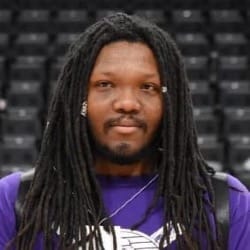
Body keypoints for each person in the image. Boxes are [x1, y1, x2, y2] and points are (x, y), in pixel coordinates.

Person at [0, 12, 250, 250]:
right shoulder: (16, 201)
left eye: (148, 87)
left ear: (170, 103)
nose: (127, 103)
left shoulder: (226, 204)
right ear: (79, 97)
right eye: (105, 84)